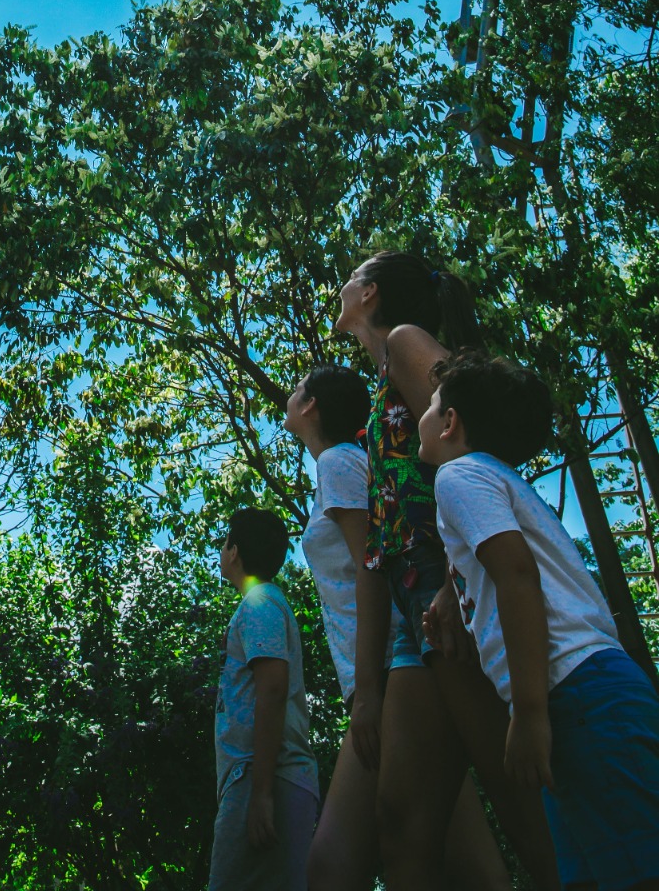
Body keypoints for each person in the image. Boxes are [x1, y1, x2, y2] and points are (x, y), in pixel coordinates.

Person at [337, 250, 559, 891]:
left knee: (520, 795)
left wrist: (448, 584)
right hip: (412, 604)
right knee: (400, 821)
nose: (341, 288)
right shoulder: (382, 375)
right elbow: (381, 539)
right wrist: (370, 683)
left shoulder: (406, 342)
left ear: (369, 293)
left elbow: (472, 440)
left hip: (443, 588)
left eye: (350, 278)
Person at [420, 349, 659, 891]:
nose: (426, 413)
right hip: (585, 694)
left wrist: (527, 714)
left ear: (451, 422)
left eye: (432, 405)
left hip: (573, 696)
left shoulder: (457, 476)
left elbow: (517, 576)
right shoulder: (499, 480)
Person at [286, 364, 510, 891]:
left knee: (332, 865)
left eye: (299, 390)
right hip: (391, 669)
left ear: (311, 406)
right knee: (465, 861)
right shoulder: (343, 463)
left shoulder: (338, 462)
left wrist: (368, 692)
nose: (291, 396)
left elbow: (375, 565)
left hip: (391, 671)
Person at [211, 506, 319, 891]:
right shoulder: (262, 605)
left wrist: (260, 793)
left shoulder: (259, 604)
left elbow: (272, 688)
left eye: (225, 542)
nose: (222, 550)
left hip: (265, 777)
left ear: (235, 551)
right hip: (265, 779)